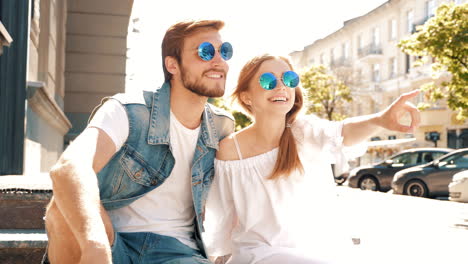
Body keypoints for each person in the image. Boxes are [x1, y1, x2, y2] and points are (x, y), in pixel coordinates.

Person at [43, 20, 235, 264]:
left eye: (225, 51)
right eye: (205, 52)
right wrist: (95, 245)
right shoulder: (128, 112)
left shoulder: (222, 127)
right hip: (112, 243)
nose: (219, 61)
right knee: (61, 207)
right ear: (172, 65)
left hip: (177, 254)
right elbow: (68, 167)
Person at [203, 54, 420, 264]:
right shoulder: (230, 149)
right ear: (246, 96)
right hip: (258, 254)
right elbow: (224, 213)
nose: (281, 86)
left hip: (313, 250)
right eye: (268, 80)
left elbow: (342, 133)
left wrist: (379, 120)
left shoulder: (305, 131)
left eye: (289, 79)